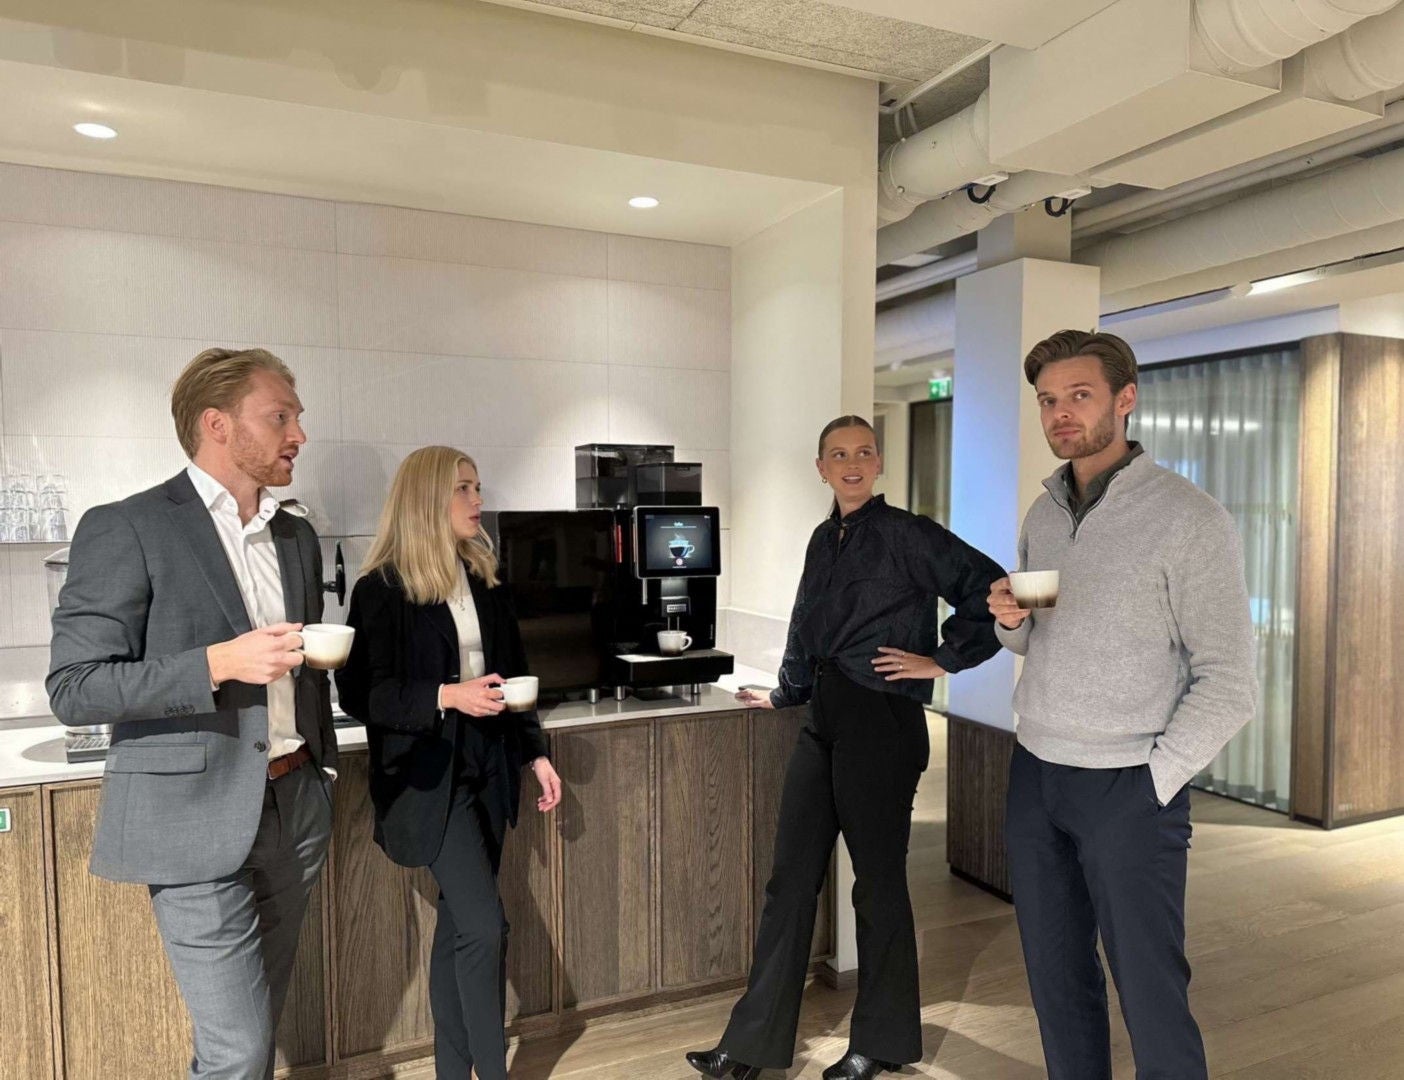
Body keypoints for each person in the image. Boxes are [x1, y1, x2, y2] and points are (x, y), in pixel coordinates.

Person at [687, 415, 1005, 1080]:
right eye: (838, 454)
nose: (852, 464)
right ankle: (750, 1046)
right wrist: (785, 692)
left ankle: (881, 1041)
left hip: (882, 718)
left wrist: (941, 661)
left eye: (863, 452)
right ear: (821, 467)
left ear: (878, 462)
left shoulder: (909, 533)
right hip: (825, 713)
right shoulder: (822, 537)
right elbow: (804, 622)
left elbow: (990, 588)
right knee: (789, 879)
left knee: (877, 883)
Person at [48, 347, 335, 1080]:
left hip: (296, 804)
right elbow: (76, 687)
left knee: (251, 1035)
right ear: (217, 424)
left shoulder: (295, 535)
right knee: (240, 1050)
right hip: (191, 817)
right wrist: (216, 663)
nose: (299, 434)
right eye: (280, 416)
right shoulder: (129, 526)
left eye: (297, 417)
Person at [987, 329, 1257, 1080]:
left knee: (1149, 991)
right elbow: (1036, 637)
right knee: (1056, 980)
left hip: (1128, 787)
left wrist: (1154, 781)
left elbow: (1230, 681)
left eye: (1080, 395)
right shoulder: (1044, 513)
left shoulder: (1189, 518)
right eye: (1049, 400)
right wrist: (1008, 620)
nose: (1061, 414)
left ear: (1125, 398)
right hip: (1035, 773)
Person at [336, 445, 562, 1080]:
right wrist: (445, 696)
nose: (477, 500)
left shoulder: (485, 580)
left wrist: (535, 754)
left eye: (477, 487)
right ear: (426, 499)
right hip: (427, 777)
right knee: (487, 928)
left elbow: (513, 676)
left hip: (489, 766)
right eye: (463, 488)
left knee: (463, 927)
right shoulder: (381, 590)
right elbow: (361, 694)